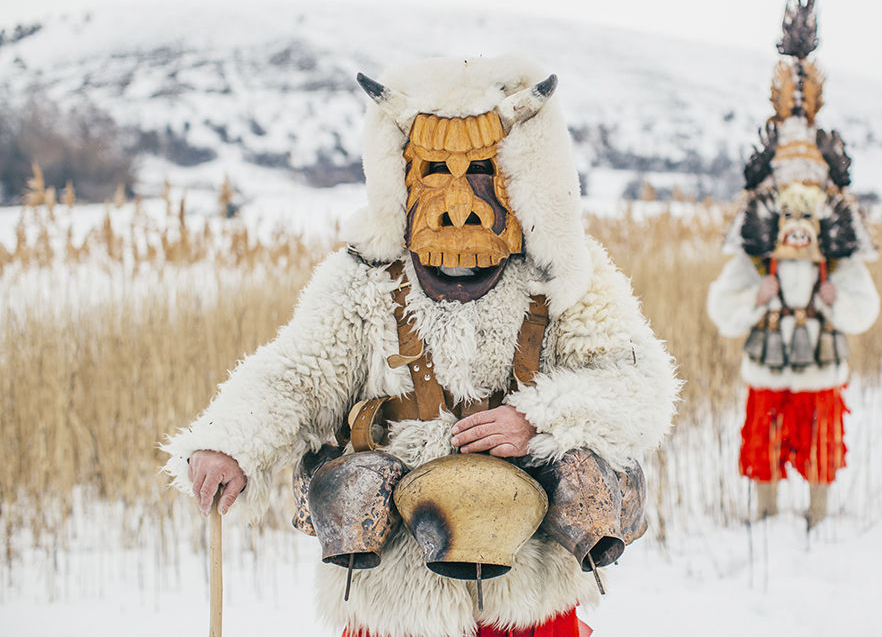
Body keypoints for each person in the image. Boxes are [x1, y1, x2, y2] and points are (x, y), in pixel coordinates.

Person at [162, 54, 679, 637]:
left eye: (481, 169)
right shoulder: (363, 280)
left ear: (518, 173)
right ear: (403, 175)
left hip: (525, 588)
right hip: (394, 587)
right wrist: (230, 443)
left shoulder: (567, 278)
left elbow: (639, 383)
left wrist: (541, 419)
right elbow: (296, 374)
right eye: (435, 170)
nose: (459, 203)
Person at [707, 0, 879, 528]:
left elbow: (864, 303)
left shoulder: (836, 242)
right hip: (769, 360)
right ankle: (764, 515)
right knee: (765, 437)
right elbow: (722, 303)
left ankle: (818, 517)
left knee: (823, 437)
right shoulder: (757, 248)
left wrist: (837, 300)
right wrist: (754, 298)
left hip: (821, 364)